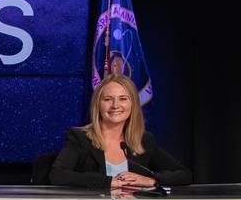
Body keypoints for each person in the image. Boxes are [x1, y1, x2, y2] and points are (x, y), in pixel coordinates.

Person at [49, 73, 190, 188]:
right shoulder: (81, 138)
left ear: (133, 104)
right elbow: (57, 174)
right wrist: (107, 181)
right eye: (108, 99)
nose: (115, 105)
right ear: (97, 105)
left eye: (123, 99)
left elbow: (184, 174)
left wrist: (152, 180)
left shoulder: (144, 141)